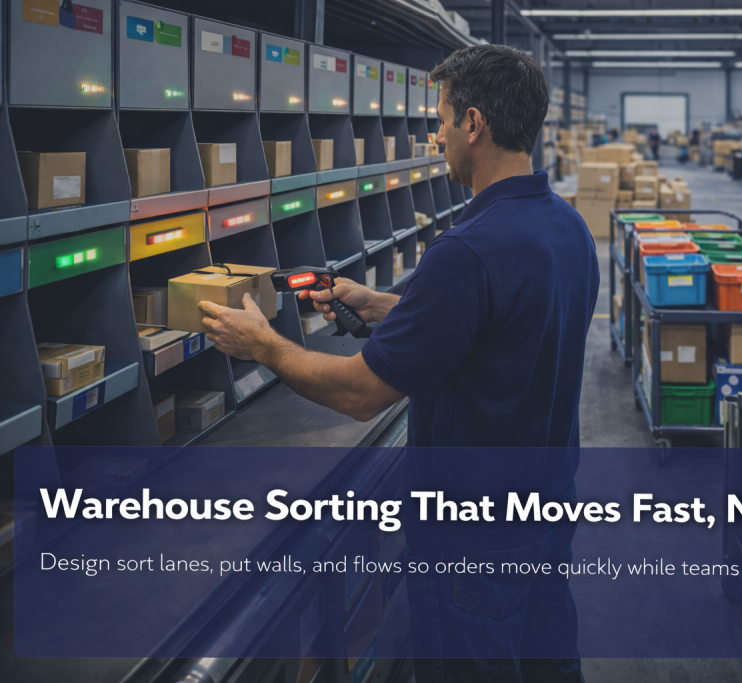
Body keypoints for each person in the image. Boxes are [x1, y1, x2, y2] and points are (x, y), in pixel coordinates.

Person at [197, 44, 598, 682]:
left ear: (474, 123)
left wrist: (263, 344)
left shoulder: (465, 252)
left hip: (473, 539)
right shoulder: (567, 228)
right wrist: (384, 305)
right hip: (545, 513)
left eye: (440, 118)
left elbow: (361, 396)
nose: (433, 134)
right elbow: (505, 325)